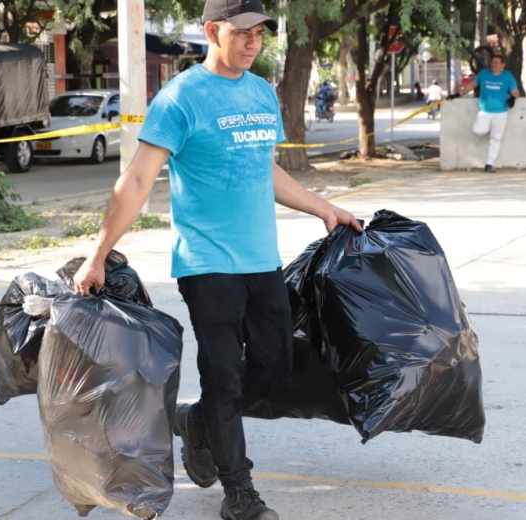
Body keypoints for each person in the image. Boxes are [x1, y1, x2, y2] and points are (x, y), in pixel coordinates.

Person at [71, 0, 363, 518]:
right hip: (206, 265)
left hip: (260, 260)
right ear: (212, 31)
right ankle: (239, 493)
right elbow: (137, 180)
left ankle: (198, 421)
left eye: (260, 34)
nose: (253, 43)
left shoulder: (260, 93)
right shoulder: (181, 98)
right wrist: (97, 255)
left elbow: (265, 170)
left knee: (274, 368)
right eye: (243, 32)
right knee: (224, 375)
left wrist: (325, 208)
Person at [449, 55, 520, 173]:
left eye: (497, 63)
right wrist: (458, 94)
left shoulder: (507, 76)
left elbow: (515, 92)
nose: (494, 65)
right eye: (492, 62)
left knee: (496, 139)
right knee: (478, 130)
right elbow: (471, 85)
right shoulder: (483, 74)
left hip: (501, 113)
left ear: (503, 65)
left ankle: (489, 164)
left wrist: (513, 97)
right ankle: (490, 130)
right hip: (485, 112)